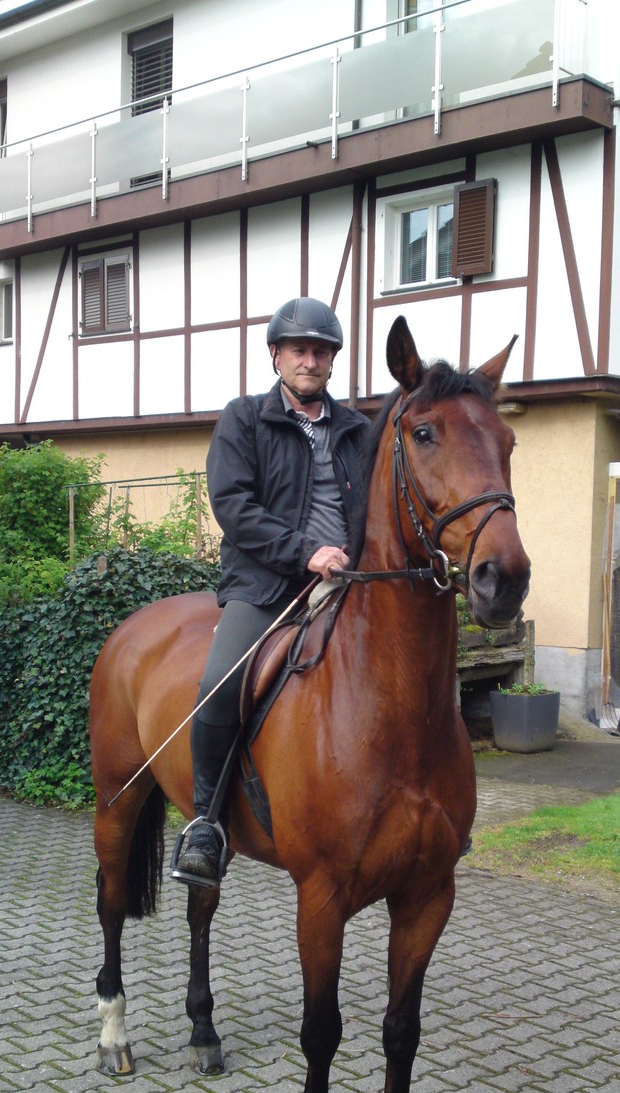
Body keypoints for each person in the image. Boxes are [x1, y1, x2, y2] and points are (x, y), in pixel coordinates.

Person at [172, 297, 372, 887]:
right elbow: (233, 506)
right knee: (218, 685)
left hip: (348, 582)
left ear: (332, 361)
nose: (310, 360)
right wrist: (304, 553)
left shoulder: (357, 429)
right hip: (266, 583)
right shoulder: (244, 419)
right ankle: (205, 824)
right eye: (300, 350)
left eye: (321, 351)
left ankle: (428, 805)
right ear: (277, 356)